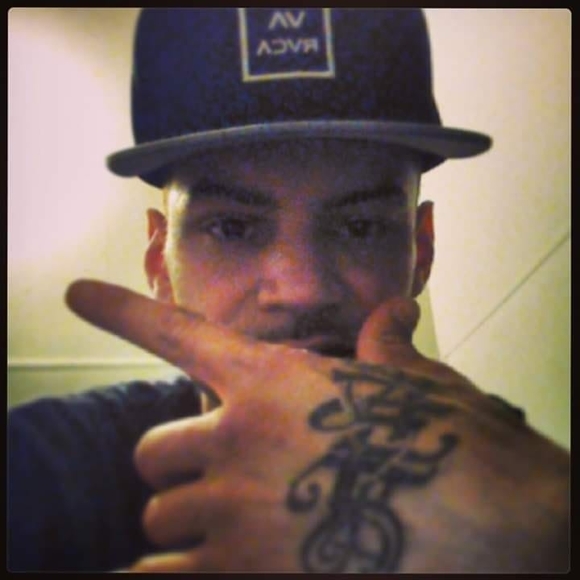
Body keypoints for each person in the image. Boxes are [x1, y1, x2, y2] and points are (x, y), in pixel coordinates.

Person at [7, 8, 569, 573]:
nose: (302, 290)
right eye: (232, 228)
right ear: (160, 263)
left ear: (420, 251)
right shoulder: (46, 461)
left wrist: (548, 537)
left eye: (360, 227)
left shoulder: (500, 467)